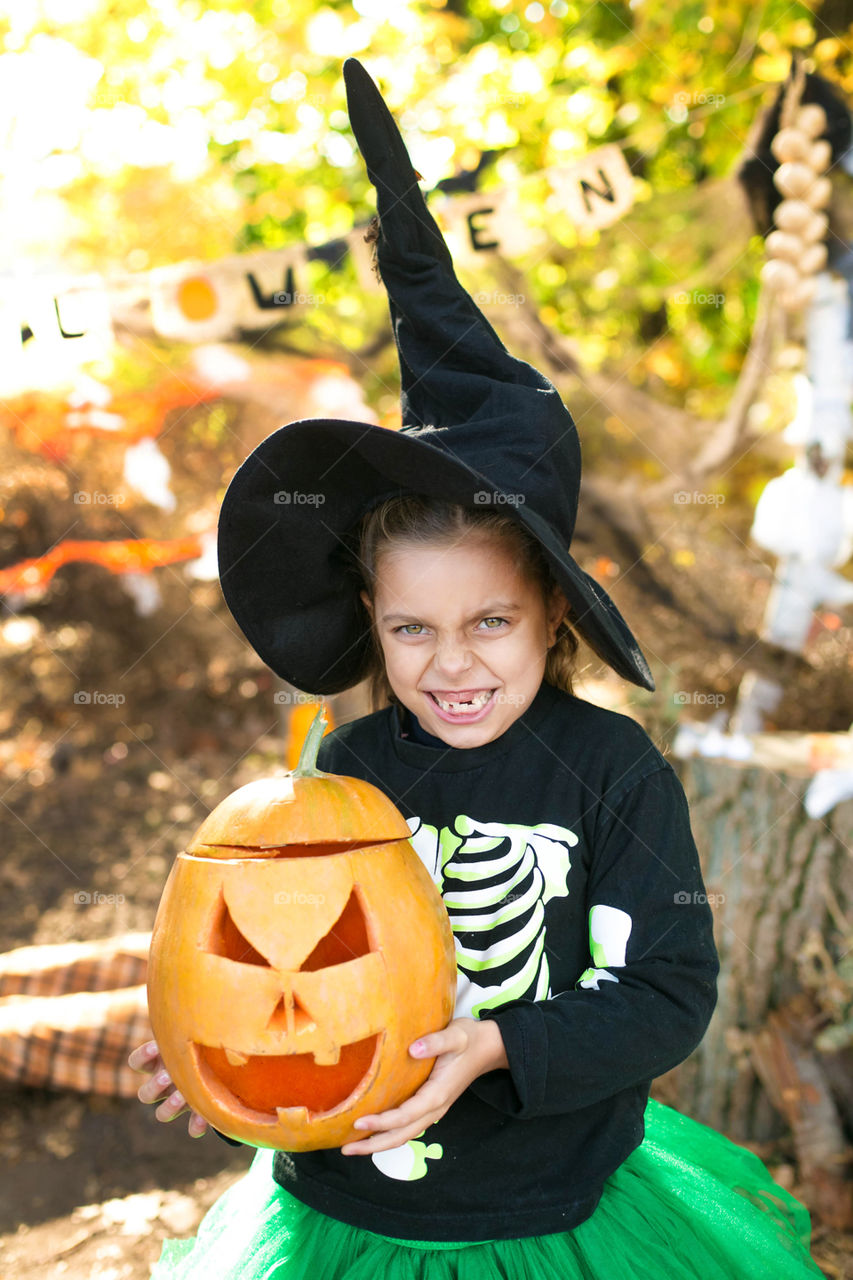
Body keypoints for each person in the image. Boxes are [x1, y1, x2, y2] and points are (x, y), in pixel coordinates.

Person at [130, 58, 825, 1279]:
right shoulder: (340, 772)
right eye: (411, 630)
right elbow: (264, 951)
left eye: (488, 623)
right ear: (369, 618)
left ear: (551, 609)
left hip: (553, 1205)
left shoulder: (610, 771)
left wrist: (499, 1042)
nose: (451, 663)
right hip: (346, 1213)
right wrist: (213, 1037)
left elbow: (669, 991)